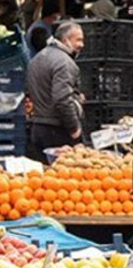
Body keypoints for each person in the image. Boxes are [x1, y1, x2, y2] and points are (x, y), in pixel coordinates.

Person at [26, 21, 85, 163]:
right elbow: (62, 99)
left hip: (38, 127)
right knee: (63, 178)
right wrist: (74, 128)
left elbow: (33, 90)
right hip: (57, 130)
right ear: (65, 40)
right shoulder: (65, 62)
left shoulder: (37, 58)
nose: (82, 44)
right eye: (78, 40)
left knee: (44, 179)